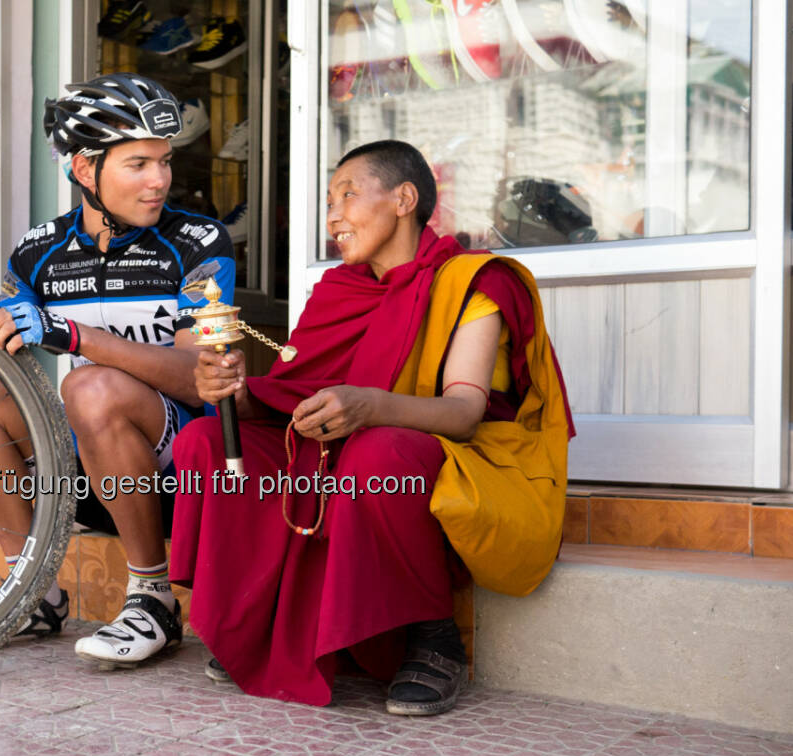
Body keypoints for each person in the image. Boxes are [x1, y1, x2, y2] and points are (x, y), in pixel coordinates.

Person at [171, 140, 574, 714]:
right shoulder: (338, 290)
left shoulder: (471, 282)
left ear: (405, 199)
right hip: (343, 445)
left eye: (348, 195)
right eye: (328, 200)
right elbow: (294, 395)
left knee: (377, 454)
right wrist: (236, 393)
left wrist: (371, 407)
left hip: (438, 455)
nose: (332, 215)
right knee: (205, 440)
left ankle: (434, 640)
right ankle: (252, 623)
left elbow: (463, 414)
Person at [0, 73, 233, 667]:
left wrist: (77, 336)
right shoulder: (40, 251)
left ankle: (153, 599)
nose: (160, 181)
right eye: (138, 164)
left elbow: (205, 372)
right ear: (84, 170)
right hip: (88, 472)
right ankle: (29, 592)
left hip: (184, 473)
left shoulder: (199, 241)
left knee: (87, 384)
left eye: (164, 162)